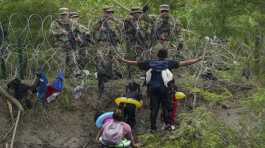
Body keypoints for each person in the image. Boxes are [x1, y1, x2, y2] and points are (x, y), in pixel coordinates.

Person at [119, 48, 202, 131]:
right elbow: (185, 63)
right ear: (166, 55)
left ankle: (153, 127)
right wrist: (198, 59)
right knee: (167, 107)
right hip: (165, 90)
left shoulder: (150, 62)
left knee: (154, 109)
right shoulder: (169, 63)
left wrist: (123, 60)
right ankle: (168, 125)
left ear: (157, 55)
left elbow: (135, 63)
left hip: (153, 90)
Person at [92, 6, 120, 97]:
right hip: (103, 44)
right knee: (102, 60)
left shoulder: (115, 21)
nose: (110, 14)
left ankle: (114, 75)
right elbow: (93, 29)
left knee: (114, 60)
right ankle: (103, 77)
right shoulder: (100, 21)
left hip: (113, 43)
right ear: (104, 13)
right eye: (108, 12)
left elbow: (121, 29)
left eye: (111, 12)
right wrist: (101, 23)